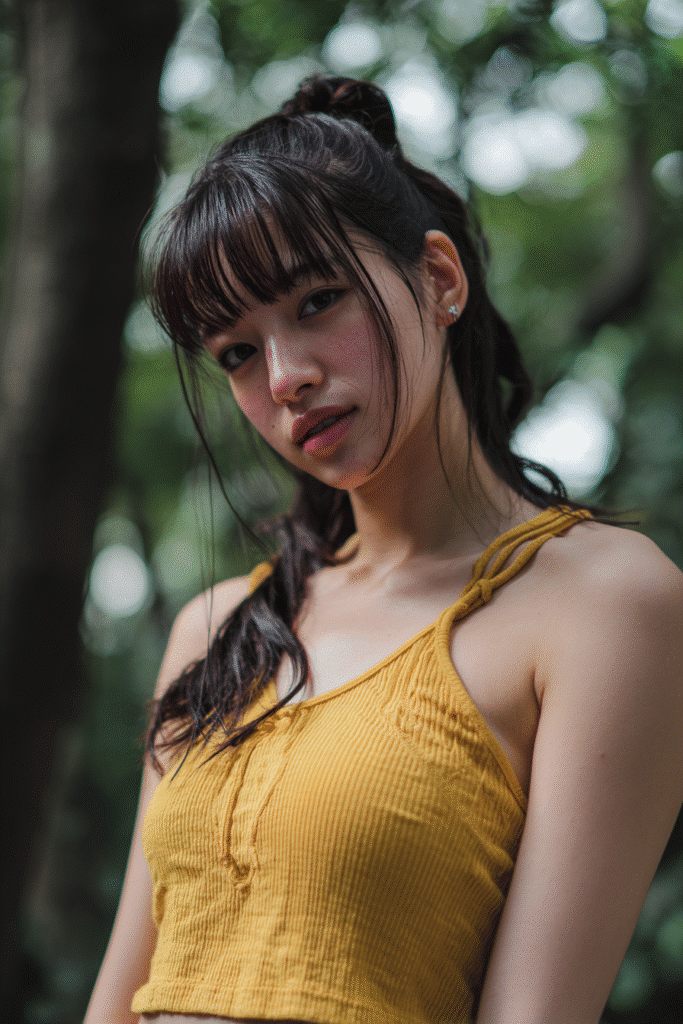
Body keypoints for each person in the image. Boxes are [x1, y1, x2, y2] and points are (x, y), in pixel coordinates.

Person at [84, 76, 683, 1024]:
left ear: (439, 279)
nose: (286, 377)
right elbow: (119, 996)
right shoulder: (221, 630)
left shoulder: (601, 603)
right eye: (238, 353)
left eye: (319, 301)